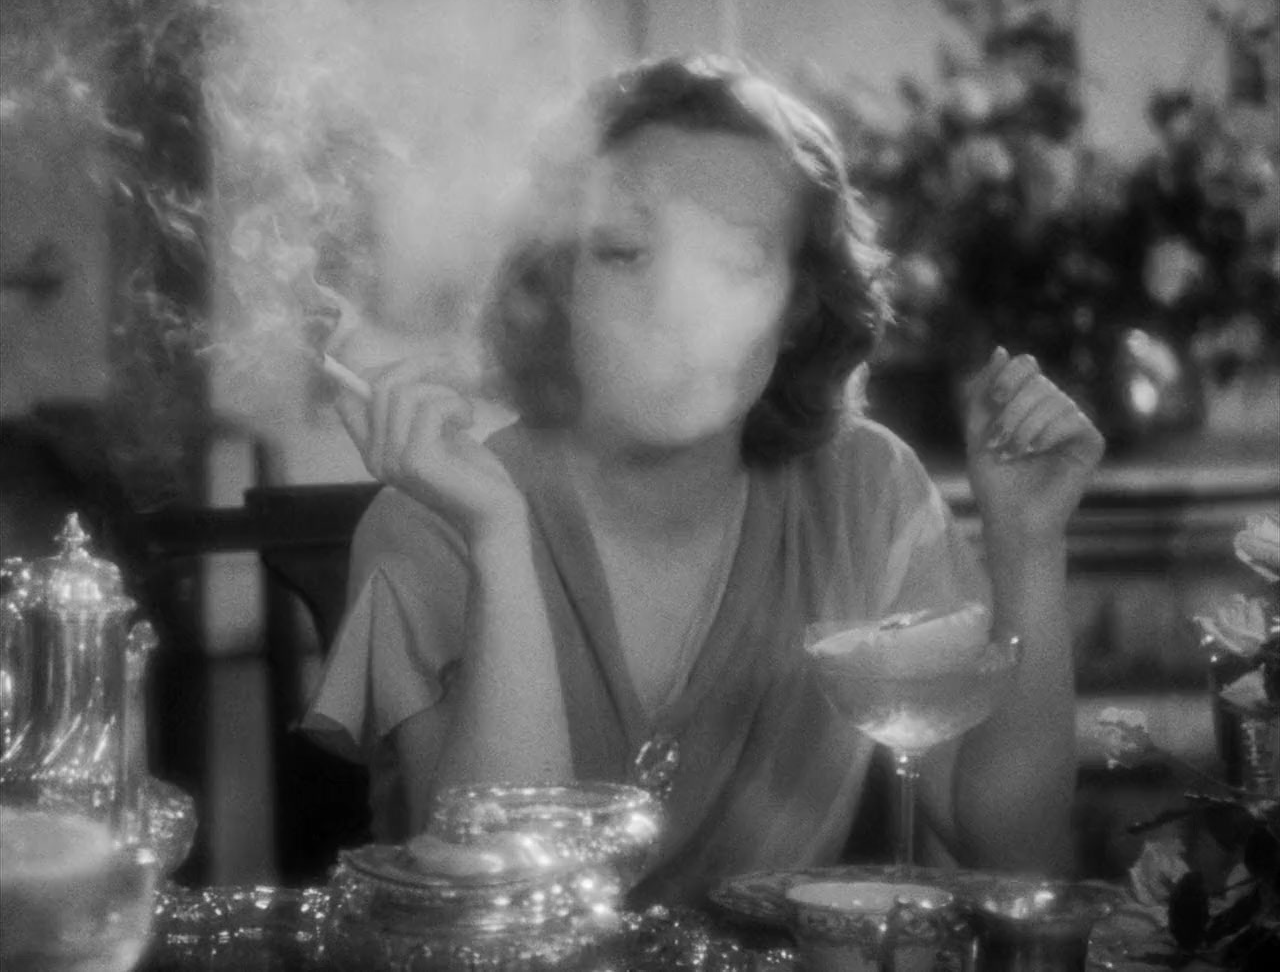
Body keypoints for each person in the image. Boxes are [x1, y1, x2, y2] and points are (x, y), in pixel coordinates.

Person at [302, 54, 1104, 906]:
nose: (676, 311)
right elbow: (499, 916)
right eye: (624, 254)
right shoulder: (438, 520)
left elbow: (1015, 854)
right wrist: (499, 540)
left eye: (734, 261)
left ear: (798, 307)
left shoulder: (865, 489)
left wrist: (1028, 544)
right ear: (559, 282)